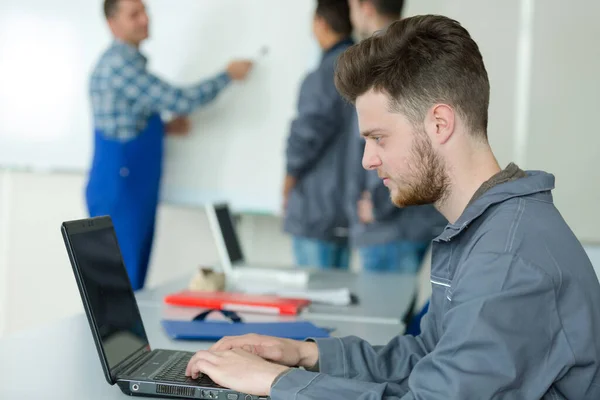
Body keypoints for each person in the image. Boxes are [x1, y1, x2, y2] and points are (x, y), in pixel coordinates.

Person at [185, 15, 600, 399]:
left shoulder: (508, 261)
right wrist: (303, 355)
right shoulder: (484, 229)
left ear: (439, 123)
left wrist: (274, 382)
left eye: (379, 137)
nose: (367, 159)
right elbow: (428, 357)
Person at [87, 0, 253, 290]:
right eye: (133, 14)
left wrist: (162, 128)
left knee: (129, 281)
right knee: (122, 287)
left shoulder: (125, 64)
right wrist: (227, 75)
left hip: (128, 186)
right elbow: (181, 100)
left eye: (145, 11)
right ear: (113, 24)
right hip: (121, 189)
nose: (144, 19)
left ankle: (126, 337)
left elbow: (123, 121)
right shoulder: (119, 66)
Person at [346, 0, 446, 273]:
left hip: (391, 227)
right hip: (409, 221)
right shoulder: (420, 52)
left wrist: (378, 205)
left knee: (385, 314)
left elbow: (399, 135)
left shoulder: (383, 62)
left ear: (364, 6)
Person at [282, 0, 355, 269]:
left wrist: (288, 181)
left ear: (320, 23)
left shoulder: (326, 73)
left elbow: (306, 135)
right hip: (345, 212)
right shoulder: (363, 66)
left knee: (313, 303)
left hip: (316, 209)